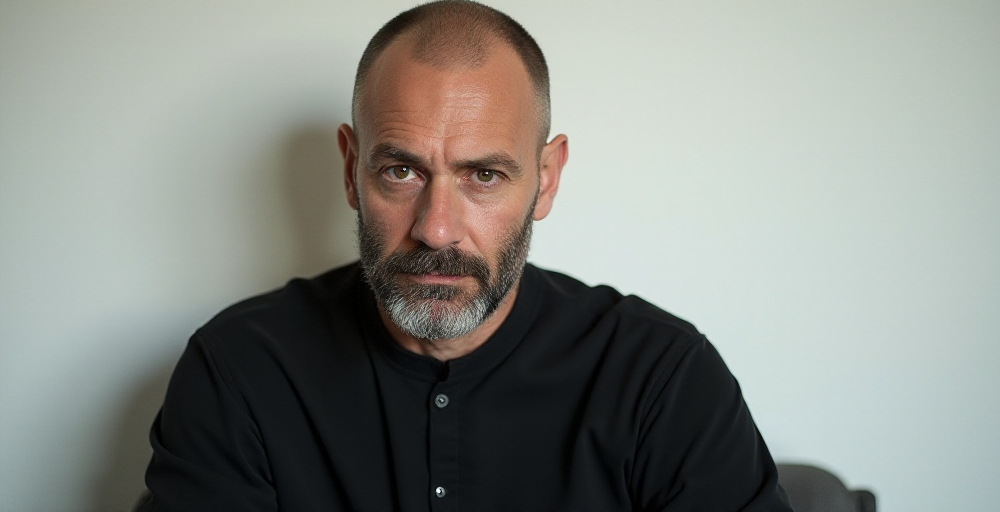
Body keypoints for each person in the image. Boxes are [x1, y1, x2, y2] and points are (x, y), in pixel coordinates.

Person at [139, 1, 793, 511]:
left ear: (546, 179)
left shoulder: (662, 380)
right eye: (401, 171)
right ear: (351, 168)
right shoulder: (240, 372)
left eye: (484, 175)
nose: (437, 230)